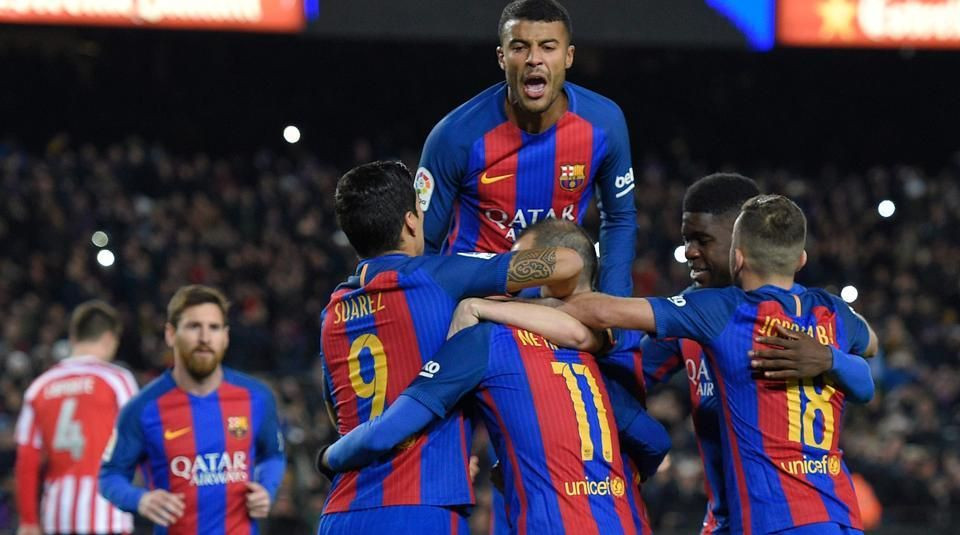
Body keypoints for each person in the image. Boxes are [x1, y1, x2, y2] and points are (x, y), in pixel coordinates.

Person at [563, 194, 878, 535]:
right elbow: (870, 356)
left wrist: (536, 303)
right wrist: (830, 358)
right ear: (801, 259)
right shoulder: (833, 311)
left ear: (737, 257)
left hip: (776, 519)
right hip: (840, 514)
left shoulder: (725, 309)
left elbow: (603, 312)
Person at [318, 221, 661, 534]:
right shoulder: (595, 359)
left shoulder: (490, 338)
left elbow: (395, 424)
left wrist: (328, 457)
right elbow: (656, 440)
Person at [316, 161, 583, 534]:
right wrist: (480, 306)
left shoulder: (332, 311)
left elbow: (339, 415)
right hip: (421, 507)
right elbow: (568, 262)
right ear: (411, 221)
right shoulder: (439, 276)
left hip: (340, 513)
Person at [416, 0, 636, 298]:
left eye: (548, 47)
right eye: (519, 47)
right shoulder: (454, 136)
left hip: (554, 301)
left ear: (568, 56)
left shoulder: (604, 124)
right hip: (473, 299)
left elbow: (619, 218)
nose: (534, 59)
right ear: (502, 57)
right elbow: (423, 242)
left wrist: (614, 305)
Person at [99, 285, 286, 535]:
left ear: (226, 336)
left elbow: (273, 455)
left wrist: (266, 489)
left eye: (214, 327)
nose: (205, 338)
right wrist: (140, 500)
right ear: (170, 334)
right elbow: (110, 476)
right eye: (194, 326)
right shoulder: (142, 408)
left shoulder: (257, 397)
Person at [15, 300, 138, 535]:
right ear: (109, 338)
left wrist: (28, 521)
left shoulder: (40, 386)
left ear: (73, 338)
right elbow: (142, 439)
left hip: (57, 515)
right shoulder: (116, 380)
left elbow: (27, 459)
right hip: (106, 515)